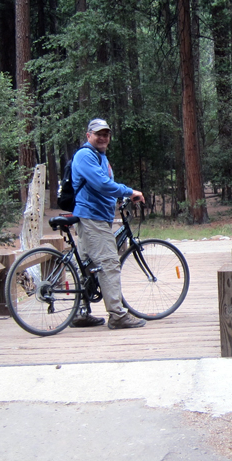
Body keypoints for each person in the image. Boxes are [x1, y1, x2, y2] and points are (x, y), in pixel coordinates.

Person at [70, 118, 147, 329]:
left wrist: (121, 198)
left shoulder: (100, 157)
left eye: (106, 134)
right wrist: (129, 192)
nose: (103, 137)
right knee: (109, 263)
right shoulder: (85, 155)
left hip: (96, 216)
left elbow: (104, 185)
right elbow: (101, 184)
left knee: (87, 265)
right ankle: (118, 315)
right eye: (98, 134)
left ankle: (80, 313)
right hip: (92, 217)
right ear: (88, 136)